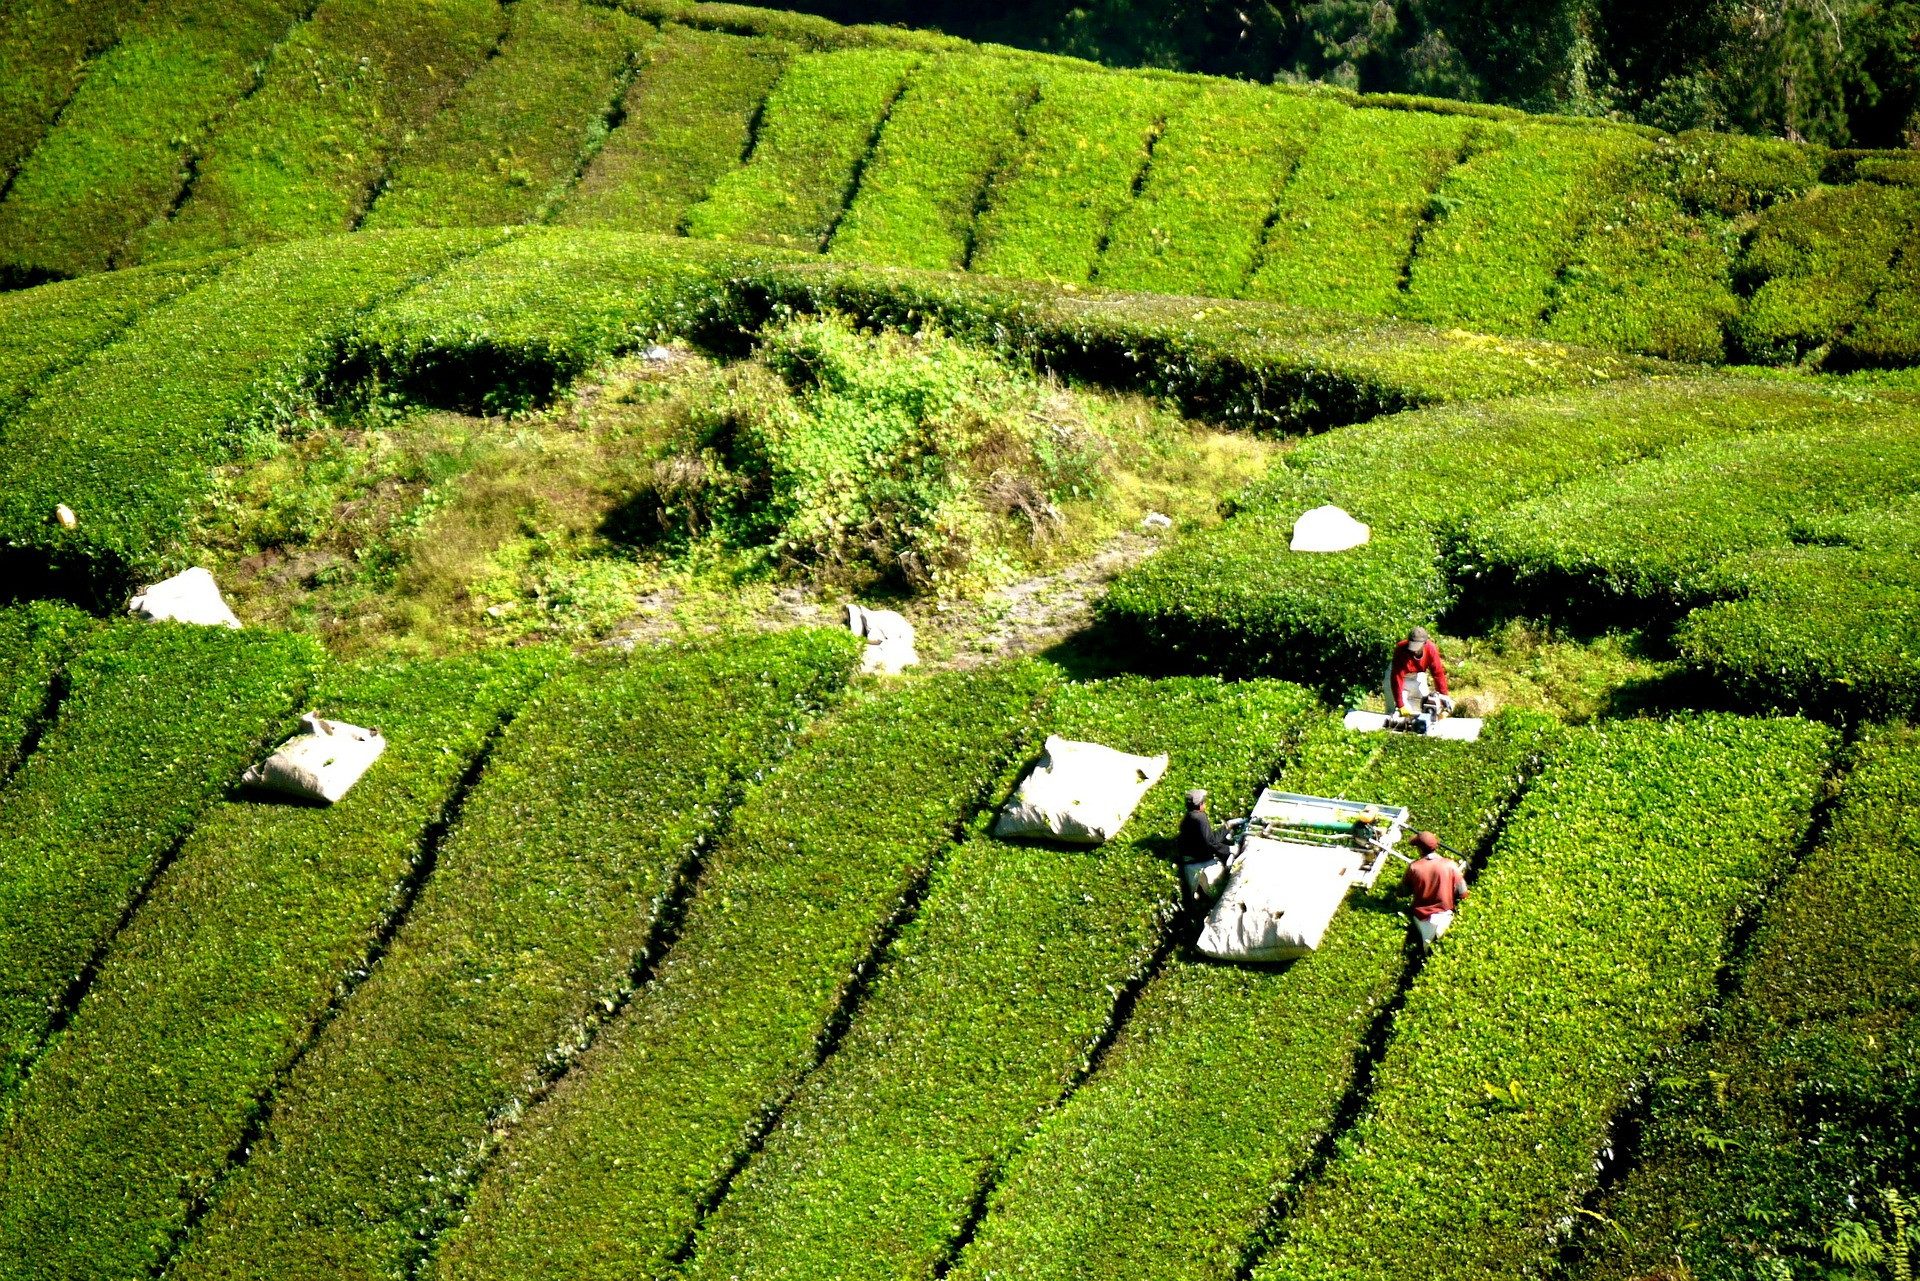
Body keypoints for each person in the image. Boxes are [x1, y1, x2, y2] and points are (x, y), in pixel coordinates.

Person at [1402, 830, 1467, 950]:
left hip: (1422, 917)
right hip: (1445, 913)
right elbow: (1463, 893)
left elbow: (1402, 892)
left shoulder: (1414, 867)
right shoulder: (1450, 864)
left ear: (1420, 849)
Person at [1177, 788, 1234, 910]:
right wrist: (1228, 848)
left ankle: (1193, 916)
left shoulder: (1187, 819)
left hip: (1188, 863)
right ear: (1200, 805)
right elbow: (1210, 841)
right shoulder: (1200, 818)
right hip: (1201, 862)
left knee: (1190, 899)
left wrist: (1225, 830)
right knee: (1219, 889)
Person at [1386, 626, 1453, 716]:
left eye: (1417, 646)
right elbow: (1397, 677)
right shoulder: (1401, 649)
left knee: (1422, 708)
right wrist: (1400, 705)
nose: (1414, 650)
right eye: (1412, 645)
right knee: (1395, 713)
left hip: (1417, 675)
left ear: (1424, 643)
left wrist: (1444, 699)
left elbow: (1438, 674)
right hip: (1398, 676)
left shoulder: (1430, 649)